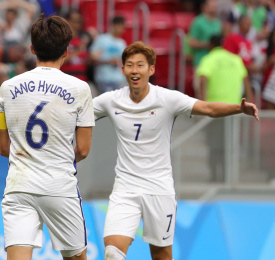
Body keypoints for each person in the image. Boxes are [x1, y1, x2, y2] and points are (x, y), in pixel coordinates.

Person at [93, 41, 258, 260]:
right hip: (125, 189)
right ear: (122, 69)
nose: (135, 70)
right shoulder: (110, 100)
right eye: (130, 65)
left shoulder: (167, 98)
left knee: (162, 257)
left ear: (151, 69)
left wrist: (238, 108)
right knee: (112, 253)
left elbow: (207, 108)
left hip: (159, 189)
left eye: (140, 65)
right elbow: (76, 113)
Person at [0, 14, 94, 260]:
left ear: (32, 49)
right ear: (67, 50)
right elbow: (82, 149)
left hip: (19, 187)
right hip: (60, 186)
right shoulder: (80, 88)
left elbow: (3, 147)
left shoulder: (7, 87)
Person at [197, 35, 253, 182]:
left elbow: (203, 80)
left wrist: (202, 105)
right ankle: (228, 176)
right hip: (234, 110)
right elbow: (246, 82)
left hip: (215, 109)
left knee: (214, 144)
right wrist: (250, 104)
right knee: (229, 145)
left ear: (210, 45)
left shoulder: (208, 59)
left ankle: (215, 176)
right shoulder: (235, 59)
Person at [90, 16, 127, 93]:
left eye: (122, 26)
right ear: (113, 25)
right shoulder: (101, 39)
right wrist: (108, 61)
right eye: (119, 26)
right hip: (103, 79)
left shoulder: (122, 43)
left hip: (118, 79)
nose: (121, 29)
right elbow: (91, 59)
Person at [189, 0, 222, 68]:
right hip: (201, 61)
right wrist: (208, 44)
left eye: (215, 7)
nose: (215, 9)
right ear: (204, 7)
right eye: (212, 7)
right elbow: (191, 43)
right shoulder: (198, 22)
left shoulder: (217, 22)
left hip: (215, 62)